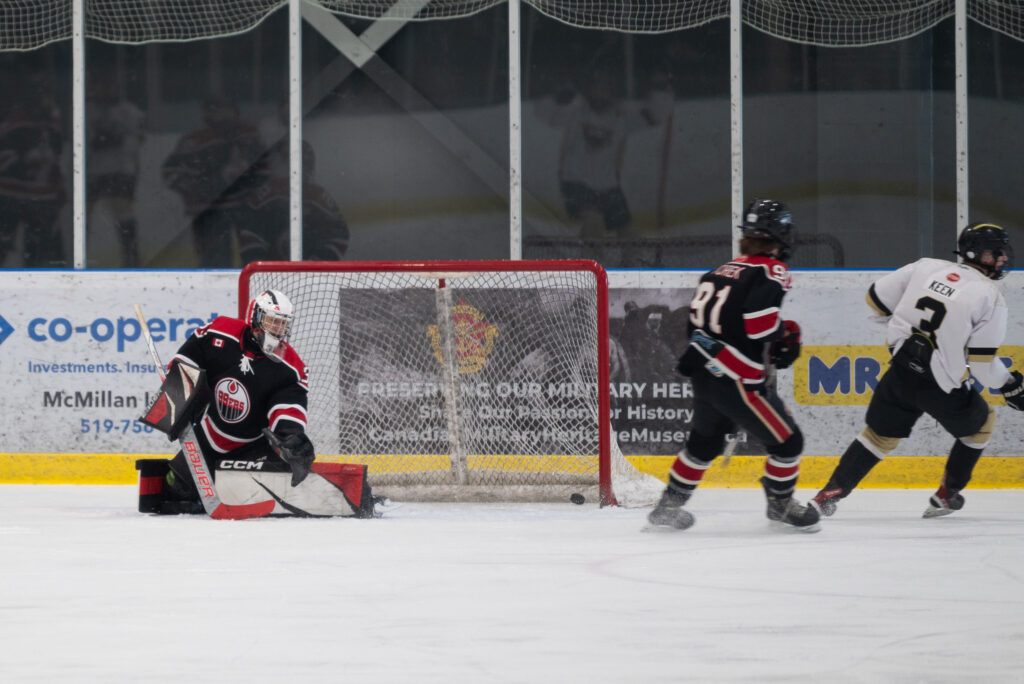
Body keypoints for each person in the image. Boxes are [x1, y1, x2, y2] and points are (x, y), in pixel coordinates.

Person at [810, 223, 1024, 518]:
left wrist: (906, 328)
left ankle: (828, 494)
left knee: (877, 437)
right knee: (982, 424)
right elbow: (982, 366)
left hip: (900, 371)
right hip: (942, 387)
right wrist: (1011, 385)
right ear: (979, 254)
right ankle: (946, 496)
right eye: (997, 253)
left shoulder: (926, 267)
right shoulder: (991, 297)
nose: (1003, 258)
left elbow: (874, 301)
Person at [646, 198, 818, 532]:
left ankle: (667, 508)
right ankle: (780, 505)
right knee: (788, 442)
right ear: (780, 234)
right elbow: (757, 325)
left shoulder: (720, 270)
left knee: (703, 444)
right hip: (738, 379)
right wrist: (787, 331)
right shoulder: (772, 270)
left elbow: (696, 329)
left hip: (706, 375)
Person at [139, 289, 379, 518]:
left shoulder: (290, 368)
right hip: (209, 435)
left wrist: (290, 437)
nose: (278, 329)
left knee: (277, 486)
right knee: (175, 486)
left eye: (283, 323)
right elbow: (188, 357)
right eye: (272, 321)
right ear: (255, 317)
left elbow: (288, 407)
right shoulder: (220, 331)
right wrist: (178, 392)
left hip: (254, 448)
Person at [161, 95, 266, 267]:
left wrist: (253, 188)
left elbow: (266, 169)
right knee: (214, 264)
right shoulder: (194, 142)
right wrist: (205, 188)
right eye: (218, 112)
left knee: (255, 258)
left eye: (227, 111)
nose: (224, 117)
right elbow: (170, 174)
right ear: (207, 115)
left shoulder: (250, 134)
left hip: (246, 207)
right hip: (208, 211)